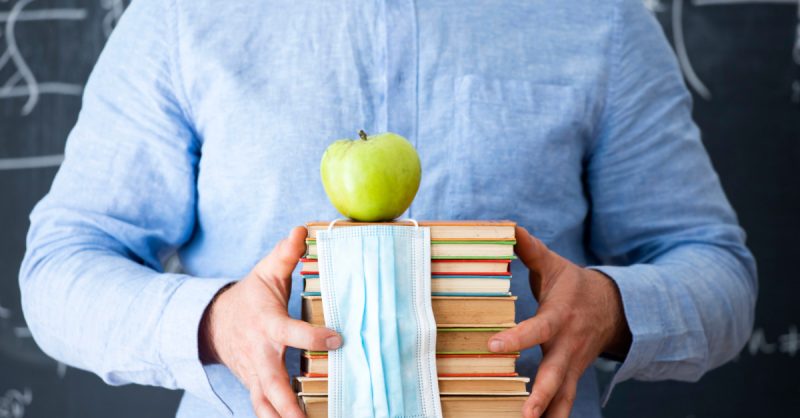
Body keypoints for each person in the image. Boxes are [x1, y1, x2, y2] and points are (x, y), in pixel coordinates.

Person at [19, 0, 757, 417]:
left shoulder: (601, 19)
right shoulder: (182, 18)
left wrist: (611, 306)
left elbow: (717, 269)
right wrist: (214, 322)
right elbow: (62, 268)